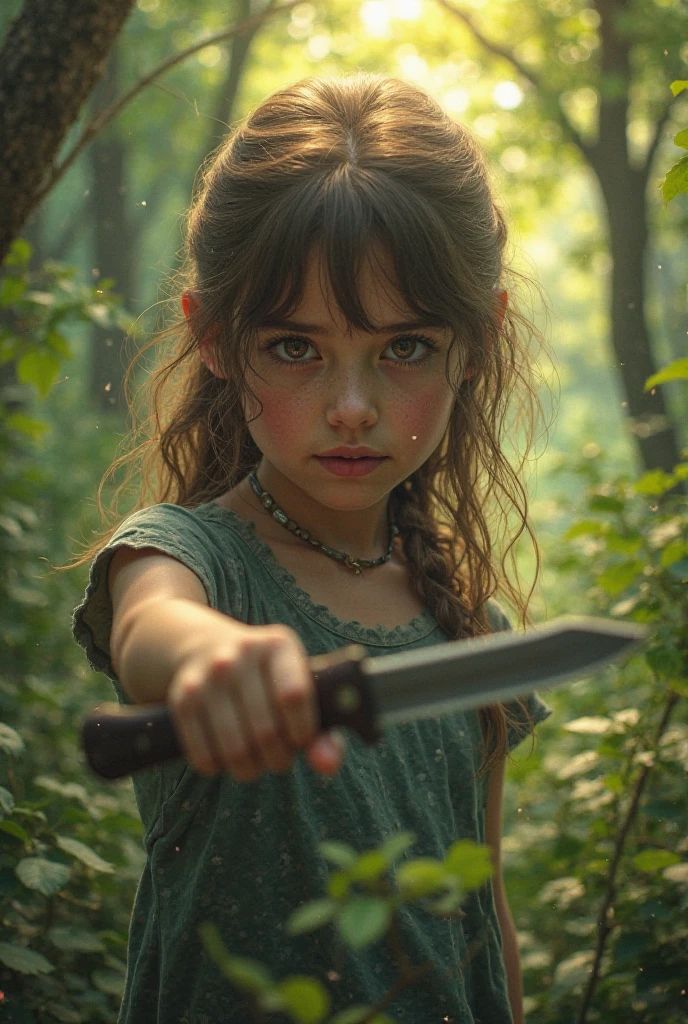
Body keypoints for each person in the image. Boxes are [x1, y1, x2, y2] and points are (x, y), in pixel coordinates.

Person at [70, 71, 555, 1024]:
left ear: (477, 342)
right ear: (214, 338)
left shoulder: (471, 628)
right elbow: (153, 627)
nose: (351, 406)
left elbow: (481, 913)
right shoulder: (189, 560)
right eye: (296, 347)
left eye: (405, 348)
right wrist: (215, 660)